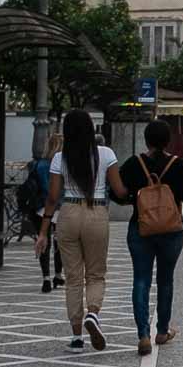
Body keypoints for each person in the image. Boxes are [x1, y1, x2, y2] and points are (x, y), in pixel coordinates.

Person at [35, 111, 128, 352]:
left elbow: (52, 197)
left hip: (68, 213)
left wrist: (43, 232)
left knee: (73, 278)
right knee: (96, 274)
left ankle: (77, 337)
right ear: (90, 129)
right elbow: (119, 190)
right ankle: (93, 314)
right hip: (96, 212)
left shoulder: (60, 158)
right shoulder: (106, 154)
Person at [118, 120, 183, 357]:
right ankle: (162, 330)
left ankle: (143, 335)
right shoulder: (179, 166)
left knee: (141, 279)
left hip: (140, 229)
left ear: (146, 140)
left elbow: (118, 194)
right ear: (168, 141)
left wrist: (135, 197)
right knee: (166, 279)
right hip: (171, 231)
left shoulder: (133, 164)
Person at [34, 134, 65, 293]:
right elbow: (54, 191)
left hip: (41, 208)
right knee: (59, 242)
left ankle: (46, 277)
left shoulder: (40, 164)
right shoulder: (61, 164)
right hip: (58, 207)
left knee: (43, 241)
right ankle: (58, 274)